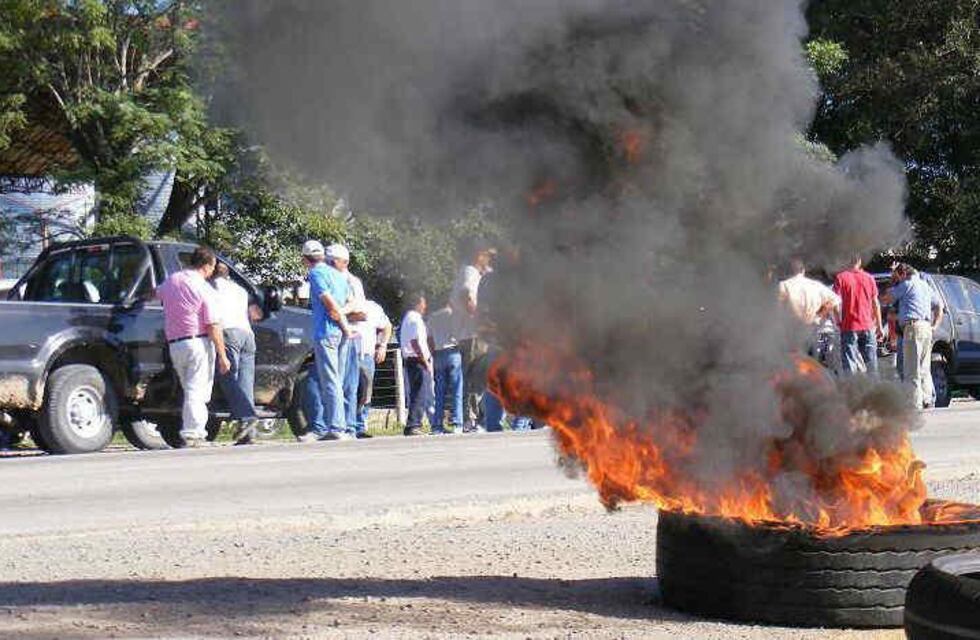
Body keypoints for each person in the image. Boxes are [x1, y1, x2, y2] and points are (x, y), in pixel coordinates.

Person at [156, 246, 230, 447]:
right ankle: (194, 434)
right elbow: (213, 325)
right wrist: (223, 355)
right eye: (212, 267)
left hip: (175, 344)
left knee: (190, 390)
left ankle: (192, 430)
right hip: (198, 343)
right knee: (196, 391)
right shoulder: (204, 288)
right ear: (207, 266)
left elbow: (155, 295)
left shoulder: (173, 280)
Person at [300, 240, 353, 441]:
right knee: (337, 381)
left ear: (305, 259)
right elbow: (349, 302)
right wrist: (345, 326)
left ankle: (336, 427)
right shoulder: (338, 275)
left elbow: (328, 302)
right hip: (340, 332)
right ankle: (341, 425)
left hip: (327, 331)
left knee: (330, 380)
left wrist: (342, 324)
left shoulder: (316, 274)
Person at [209, 262, 263, 443]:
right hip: (247, 335)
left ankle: (246, 416)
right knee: (245, 383)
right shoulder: (240, 290)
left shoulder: (212, 287)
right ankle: (248, 431)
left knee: (228, 378)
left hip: (229, 333)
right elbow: (254, 314)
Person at [883, 264, 945, 409]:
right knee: (924, 367)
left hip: (913, 328)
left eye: (897, 275)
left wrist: (892, 279)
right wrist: (935, 325)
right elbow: (939, 305)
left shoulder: (906, 284)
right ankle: (927, 399)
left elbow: (887, 299)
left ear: (903, 274)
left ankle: (914, 403)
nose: (897, 279)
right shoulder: (925, 286)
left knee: (911, 368)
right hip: (926, 327)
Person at [451, 240, 495, 432]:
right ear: (479, 255)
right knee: (476, 376)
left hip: (475, 333)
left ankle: (478, 418)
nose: (490, 260)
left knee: (481, 376)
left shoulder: (475, 273)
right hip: (473, 333)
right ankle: (472, 420)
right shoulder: (469, 272)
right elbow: (467, 297)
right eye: (488, 256)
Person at [326, 243, 367, 431]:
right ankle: (337, 424)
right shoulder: (328, 279)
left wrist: (339, 314)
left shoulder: (351, 282)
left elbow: (361, 313)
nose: (329, 264)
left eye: (332, 261)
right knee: (334, 382)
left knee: (348, 385)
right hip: (333, 334)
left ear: (344, 262)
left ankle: (349, 426)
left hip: (350, 336)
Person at [778, 259, 841, 359]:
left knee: (793, 361)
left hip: (792, 328)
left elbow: (777, 307)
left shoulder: (784, 285)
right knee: (811, 361)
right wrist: (819, 315)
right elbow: (834, 300)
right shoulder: (815, 285)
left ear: (790, 271)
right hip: (812, 327)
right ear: (803, 270)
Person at [834, 256, 883, 376]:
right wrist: (879, 326)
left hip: (849, 326)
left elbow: (835, 302)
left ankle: (853, 392)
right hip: (868, 325)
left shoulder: (841, 277)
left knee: (850, 364)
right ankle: (876, 392)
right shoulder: (869, 278)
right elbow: (875, 303)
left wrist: (838, 321)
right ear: (860, 261)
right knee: (871, 364)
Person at [351, 298, 392, 438]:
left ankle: (359, 426)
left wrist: (383, 345)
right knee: (348, 391)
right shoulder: (345, 305)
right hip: (347, 355)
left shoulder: (373, 307)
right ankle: (347, 426)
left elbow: (387, 326)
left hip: (367, 355)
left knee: (365, 393)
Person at [427, 304, 463, 434]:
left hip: (438, 353)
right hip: (453, 352)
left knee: (439, 392)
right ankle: (457, 423)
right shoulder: (455, 315)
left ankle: (437, 425)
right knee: (456, 390)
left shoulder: (433, 317)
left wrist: (433, 353)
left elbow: (429, 338)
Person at [400, 292, 432, 436]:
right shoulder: (415, 318)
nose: (425, 307)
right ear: (418, 303)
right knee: (420, 393)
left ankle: (412, 423)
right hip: (417, 360)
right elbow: (416, 341)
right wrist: (424, 361)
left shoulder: (407, 318)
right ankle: (414, 424)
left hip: (411, 360)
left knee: (415, 393)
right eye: (423, 303)